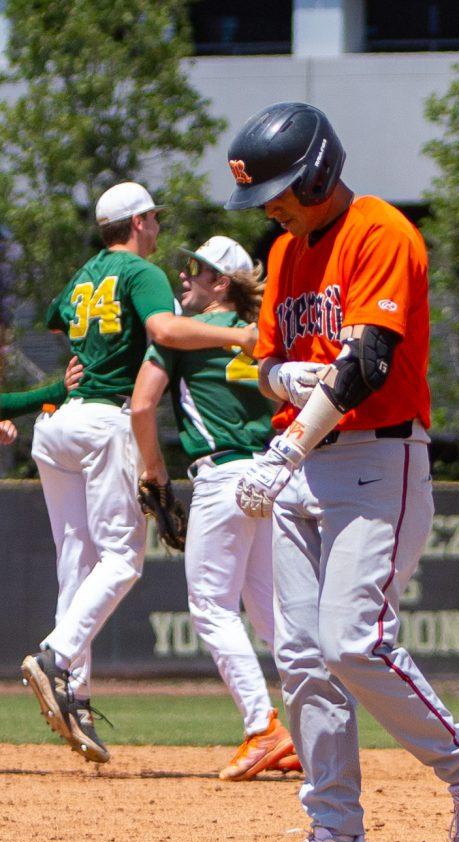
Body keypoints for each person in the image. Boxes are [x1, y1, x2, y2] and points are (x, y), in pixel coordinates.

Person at [224, 101, 459, 842]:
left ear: (319, 168)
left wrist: (285, 446)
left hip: (372, 460)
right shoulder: (286, 254)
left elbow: (369, 366)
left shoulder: (381, 231)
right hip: (301, 466)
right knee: (303, 659)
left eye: (280, 190)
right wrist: (283, 378)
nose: (273, 208)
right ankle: (336, 840)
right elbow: (266, 363)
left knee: (355, 639)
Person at [20, 182, 257, 764]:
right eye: (153, 219)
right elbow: (164, 331)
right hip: (105, 422)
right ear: (140, 222)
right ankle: (56, 655)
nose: (157, 229)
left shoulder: (84, 274)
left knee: (78, 562)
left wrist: (89, 350)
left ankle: (72, 693)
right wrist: (238, 335)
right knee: (123, 558)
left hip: (57, 429)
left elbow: (58, 319)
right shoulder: (140, 271)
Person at [129, 235, 304, 781]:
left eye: (196, 269)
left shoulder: (183, 334)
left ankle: (262, 728)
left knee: (210, 605)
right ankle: (307, 731)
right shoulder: (261, 338)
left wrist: (153, 467)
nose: (185, 277)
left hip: (223, 474)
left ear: (220, 283)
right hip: (271, 474)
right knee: (271, 612)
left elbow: (141, 403)